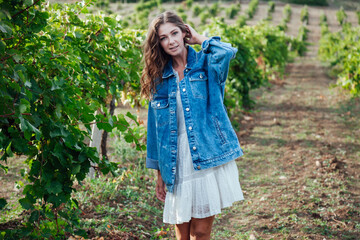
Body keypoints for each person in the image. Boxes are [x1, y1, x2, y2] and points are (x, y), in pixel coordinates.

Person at [141, 11, 244, 240]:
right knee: (182, 233)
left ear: (184, 32)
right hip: (176, 162)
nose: (172, 41)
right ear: (158, 44)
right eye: (164, 38)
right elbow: (155, 132)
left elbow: (227, 52)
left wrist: (199, 39)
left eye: (175, 33)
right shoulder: (159, 78)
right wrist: (159, 174)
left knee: (200, 232)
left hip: (205, 156)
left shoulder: (206, 64)